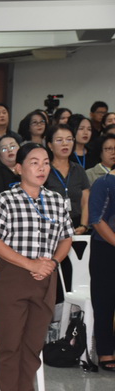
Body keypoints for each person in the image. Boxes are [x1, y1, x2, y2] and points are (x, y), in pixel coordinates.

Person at [0, 143, 73, 391]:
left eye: (46, 162)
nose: (41, 168)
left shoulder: (57, 200)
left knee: (33, 344)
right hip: (13, 276)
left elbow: (66, 238)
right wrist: (30, 264)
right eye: (34, 162)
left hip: (46, 278)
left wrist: (52, 262)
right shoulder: (6, 199)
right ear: (19, 168)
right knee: (10, 344)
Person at [88, 149, 115, 371]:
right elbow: (97, 219)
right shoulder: (104, 183)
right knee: (105, 301)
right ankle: (106, 352)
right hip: (106, 249)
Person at [45, 124, 90, 233]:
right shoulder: (44, 170)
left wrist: (84, 225)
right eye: (59, 140)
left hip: (77, 225)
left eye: (69, 139)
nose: (65, 143)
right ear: (50, 145)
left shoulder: (79, 169)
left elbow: (86, 201)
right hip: (50, 227)